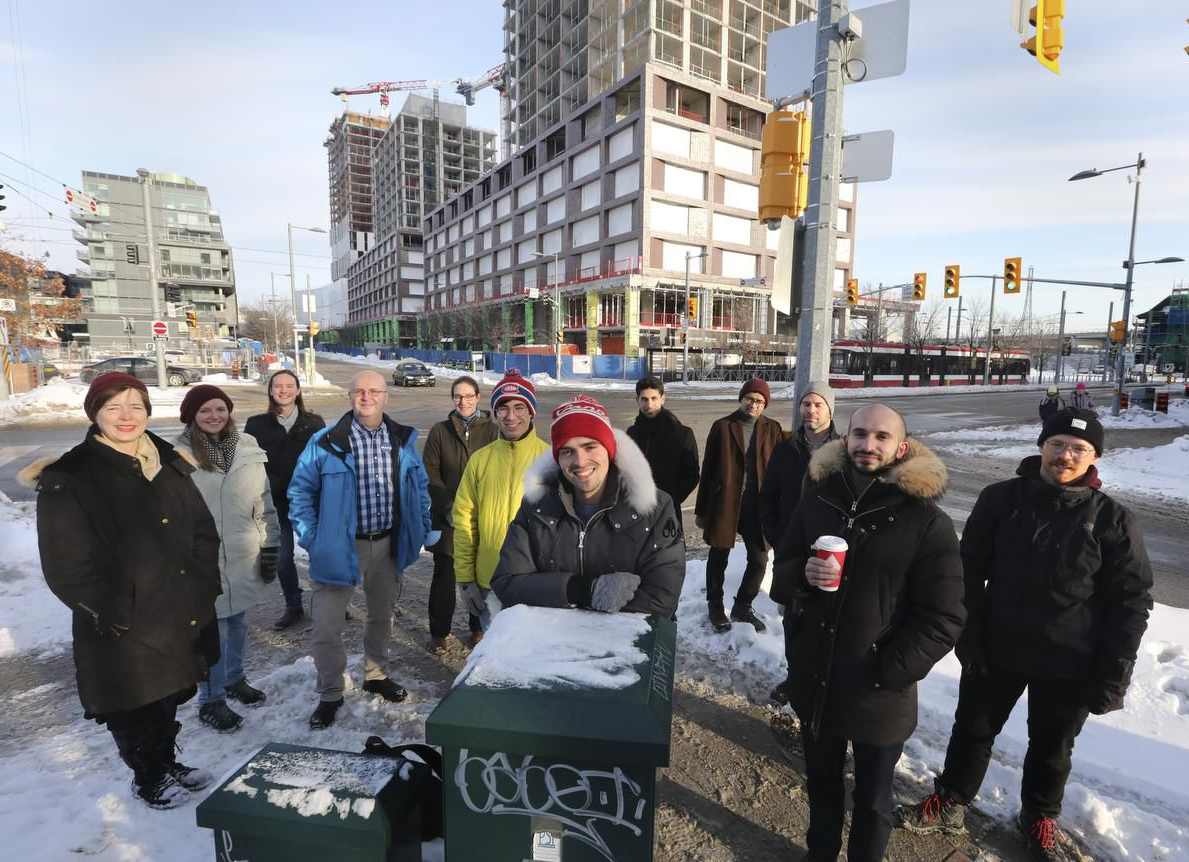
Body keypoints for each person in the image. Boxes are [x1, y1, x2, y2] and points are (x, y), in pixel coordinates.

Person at [898, 408, 1152, 861]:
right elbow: (966, 572)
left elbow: (1131, 602)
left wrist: (1115, 672)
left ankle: (1038, 815)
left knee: (1053, 747)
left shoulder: (1113, 520)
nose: (1066, 455)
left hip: (1070, 660)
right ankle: (951, 799)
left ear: (1094, 457)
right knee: (972, 731)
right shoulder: (1001, 500)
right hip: (997, 647)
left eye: (1079, 449)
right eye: (1057, 444)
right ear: (1041, 446)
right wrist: (968, 636)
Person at [770, 403, 965, 862]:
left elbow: (945, 617)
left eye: (881, 437)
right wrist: (802, 575)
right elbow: (782, 573)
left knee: (873, 801)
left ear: (902, 447)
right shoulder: (818, 499)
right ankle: (819, 854)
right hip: (816, 680)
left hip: (879, 695)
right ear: (846, 439)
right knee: (821, 785)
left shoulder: (926, 522)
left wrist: (885, 672)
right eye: (860, 434)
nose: (868, 444)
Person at [27, 372, 221, 808]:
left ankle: (167, 761)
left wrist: (203, 581)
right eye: (113, 407)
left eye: (135, 406)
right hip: (122, 618)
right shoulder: (71, 476)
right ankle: (147, 775)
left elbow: (202, 530)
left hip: (179, 605)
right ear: (95, 414)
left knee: (170, 690)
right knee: (132, 702)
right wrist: (116, 612)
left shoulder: (167, 461)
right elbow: (65, 567)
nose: (126, 416)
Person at [288, 369, 436, 730]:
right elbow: (300, 491)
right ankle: (330, 693)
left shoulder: (401, 440)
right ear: (350, 396)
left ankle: (376, 675)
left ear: (385, 396)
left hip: (386, 544)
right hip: (338, 549)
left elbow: (419, 487)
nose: (366, 397)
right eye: (358, 391)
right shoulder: (325, 442)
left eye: (373, 391)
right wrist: (313, 539)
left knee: (381, 616)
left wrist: (420, 526)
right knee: (326, 627)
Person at [491, 394, 685, 617]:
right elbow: (508, 583)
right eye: (567, 451)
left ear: (609, 450)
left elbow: (662, 599)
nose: (580, 461)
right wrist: (582, 591)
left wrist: (551, 595)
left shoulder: (655, 508)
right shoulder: (536, 507)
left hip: (628, 638)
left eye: (590, 447)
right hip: (554, 638)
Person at [174, 385, 280, 732]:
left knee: (237, 623)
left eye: (220, 409)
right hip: (202, 560)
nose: (214, 416)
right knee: (213, 631)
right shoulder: (177, 455)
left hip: (243, 553)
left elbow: (263, 501)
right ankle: (211, 699)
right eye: (205, 410)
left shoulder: (247, 446)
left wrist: (271, 545)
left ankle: (234, 679)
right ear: (192, 415)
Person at [759, 381, 840, 706]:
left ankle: (825, 683)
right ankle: (796, 679)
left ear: (830, 410)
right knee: (793, 619)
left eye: (818, 404)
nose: (811, 410)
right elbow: (768, 496)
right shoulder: (786, 449)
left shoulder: (844, 450)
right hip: (791, 553)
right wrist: (777, 536)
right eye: (806, 404)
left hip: (830, 553)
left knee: (828, 620)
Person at [452, 369, 549, 634]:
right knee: (496, 653)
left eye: (520, 407)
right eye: (503, 408)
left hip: (536, 583)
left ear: (531, 412)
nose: (511, 416)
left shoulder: (549, 461)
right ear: (495, 413)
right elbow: (464, 521)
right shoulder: (480, 460)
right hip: (490, 582)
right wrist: (465, 578)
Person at [694, 377, 784, 633]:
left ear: (765, 405)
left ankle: (743, 606)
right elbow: (708, 469)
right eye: (749, 399)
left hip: (758, 506)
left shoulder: (773, 429)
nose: (753, 404)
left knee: (759, 559)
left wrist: (778, 508)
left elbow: (780, 470)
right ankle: (715, 604)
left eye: (759, 401)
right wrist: (702, 510)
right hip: (725, 502)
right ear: (741, 399)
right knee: (718, 554)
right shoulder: (723, 426)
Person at [244, 369, 326, 630]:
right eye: (277, 386)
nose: (283, 390)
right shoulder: (256, 425)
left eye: (289, 385)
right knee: (282, 558)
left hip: (310, 503)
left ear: (298, 390)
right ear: (270, 390)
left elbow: (325, 462)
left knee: (320, 554)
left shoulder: (314, 423)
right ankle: (293, 605)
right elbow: (248, 464)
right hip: (275, 503)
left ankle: (328, 601)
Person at [422, 374, 498, 651]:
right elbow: (430, 472)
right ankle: (439, 631)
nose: (462, 401)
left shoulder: (493, 431)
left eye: (468, 396)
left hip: (482, 516)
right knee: (444, 576)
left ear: (478, 397)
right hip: (447, 517)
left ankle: (478, 627)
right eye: (457, 396)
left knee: (480, 574)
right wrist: (447, 506)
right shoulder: (440, 431)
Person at [625, 375, 700, 510]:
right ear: (637, 400)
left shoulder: (682, 434)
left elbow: (692, 475)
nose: (649, 405)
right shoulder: (632, 434)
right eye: (644, 399)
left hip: (667, 510)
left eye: (654, 398)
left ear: (663, 398)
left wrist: (670, 500)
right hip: (636, 510)